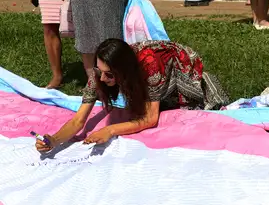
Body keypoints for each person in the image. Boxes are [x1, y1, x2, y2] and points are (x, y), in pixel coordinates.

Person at [34, 38, 228, 152]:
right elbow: (78, 121)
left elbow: (150, 119)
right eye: (100, 71)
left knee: (192, 109)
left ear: (123, 72)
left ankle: (207, 84)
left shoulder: (151, 66)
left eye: (109, 74)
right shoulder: (100, 72)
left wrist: (110, 130)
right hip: (145, 76)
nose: (102, 78)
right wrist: (54, 140)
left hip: (180, 65)